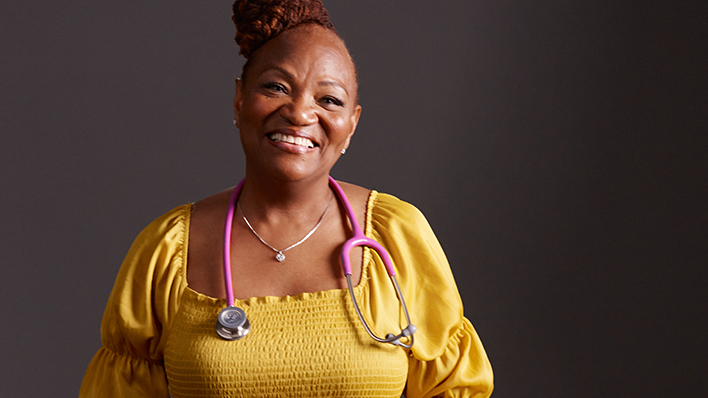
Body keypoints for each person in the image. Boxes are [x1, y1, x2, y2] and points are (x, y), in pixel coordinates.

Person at [79, 0, 493, 396]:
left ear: (351, 124)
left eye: (328, 99)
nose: (299, 113)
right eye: (277, 87)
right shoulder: (168, 249)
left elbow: (455, 391)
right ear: (239, 100)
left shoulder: (396, 235)